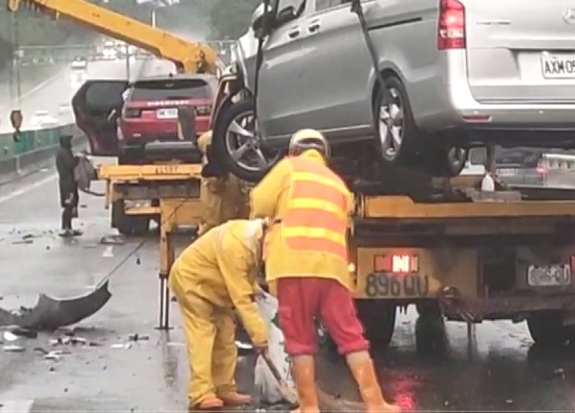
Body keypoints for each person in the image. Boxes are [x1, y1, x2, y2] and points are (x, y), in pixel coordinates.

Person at [250, 129, 401, 413]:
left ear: (294, 150)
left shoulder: (288, 169)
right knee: (350, 335)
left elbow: (258, 202)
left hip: (293, 264)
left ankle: (308, 406)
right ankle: (376, 403)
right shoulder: (337, 184)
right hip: (332, 268)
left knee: (299, 337)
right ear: (324, 154)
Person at [169, 218, 270, 411]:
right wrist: (260, 336)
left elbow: (243, 276)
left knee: (225, 335)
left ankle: (224, 387)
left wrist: (255, 289)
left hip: (215, 286)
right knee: (202, 337)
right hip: (192, 281)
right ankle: (200, 392)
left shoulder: (250, 240)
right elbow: (241, 297)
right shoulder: (236, 246)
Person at [197, 130, 250, 236]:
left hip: (232, 224)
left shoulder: (232, 166)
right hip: (215, 226)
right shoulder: (214, 170)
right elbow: (216, 184)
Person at [54, 134, 80, 236]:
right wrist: (77, 159)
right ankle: (66, 227)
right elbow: (70, 164)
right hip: (67, 182)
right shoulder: (64, 153)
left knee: (70, 204)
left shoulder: (62, 152)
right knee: (69, 205)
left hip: (67, 181)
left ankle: (68, 227)